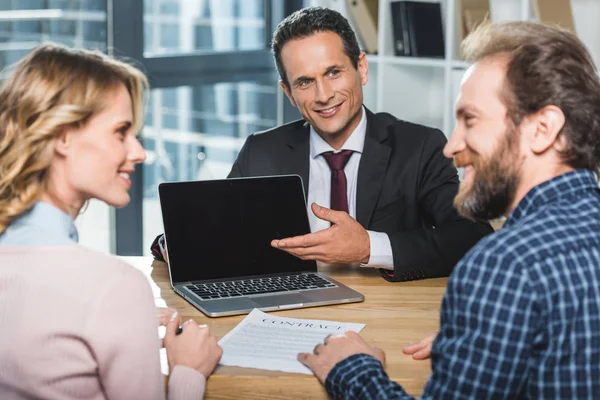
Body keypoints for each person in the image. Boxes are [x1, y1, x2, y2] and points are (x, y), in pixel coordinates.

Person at [298, 20, 600, 398]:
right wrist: (490, 328)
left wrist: (352, 368)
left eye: (469, 119)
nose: (452, 145)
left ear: (543, 128)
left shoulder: (503, 266)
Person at [152, 7, 493, 282]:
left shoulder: (419, 146)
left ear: (361, 68)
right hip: (288, 309)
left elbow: (471, 238)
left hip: (385, 312)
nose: (323, 95)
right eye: (305, 82)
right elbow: (214, 228)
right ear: (288, 92)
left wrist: (368, 248)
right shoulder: (261, 151)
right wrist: (178, 241)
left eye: (333, 73)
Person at [0, 43, 222, 399]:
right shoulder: (113, 288)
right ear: (62, 137)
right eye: (121, 132)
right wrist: (188, 372)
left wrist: (119, 321)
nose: (138, 152)